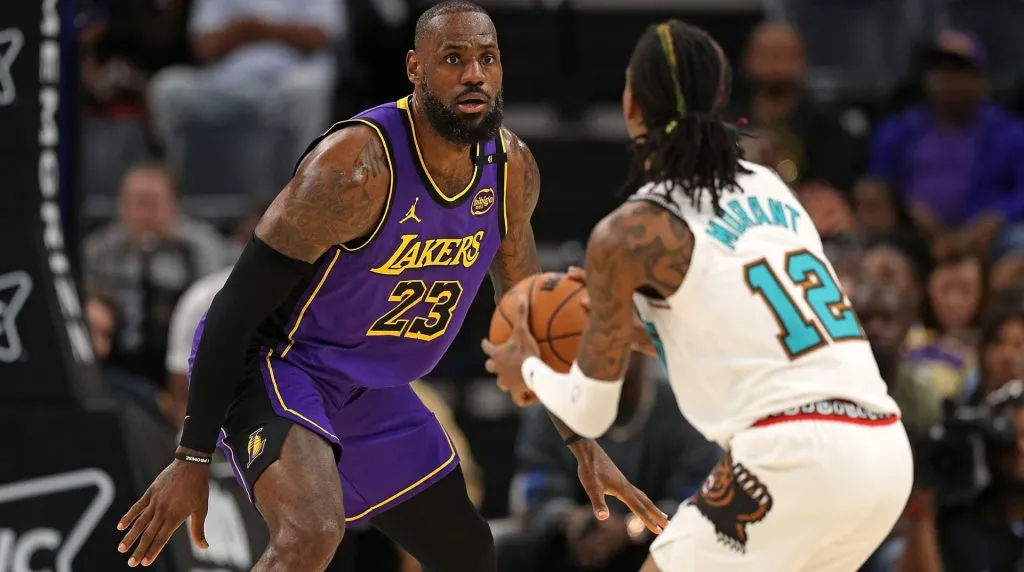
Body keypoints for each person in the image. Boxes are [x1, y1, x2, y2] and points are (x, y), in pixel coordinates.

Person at [116, 2, 665, 570]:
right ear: (415, 69)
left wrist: (580, 442)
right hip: (280, 362)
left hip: (368, 384)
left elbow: (531, 323)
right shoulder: (353, 167)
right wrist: (191, 455)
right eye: (453, 59)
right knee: (312, 531)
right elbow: (233, 307)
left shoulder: (511, 171)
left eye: (488, 59)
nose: (474, 74)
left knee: (469, 554)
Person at [484, 20, 913, 572]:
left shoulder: (629, 233)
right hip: (883, 448)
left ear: (632, 105)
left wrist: (531, 367)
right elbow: (744, 330)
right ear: (720, 97)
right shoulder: (772, 186)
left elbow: (591, 409)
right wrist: (628, 327)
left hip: (790, 455)